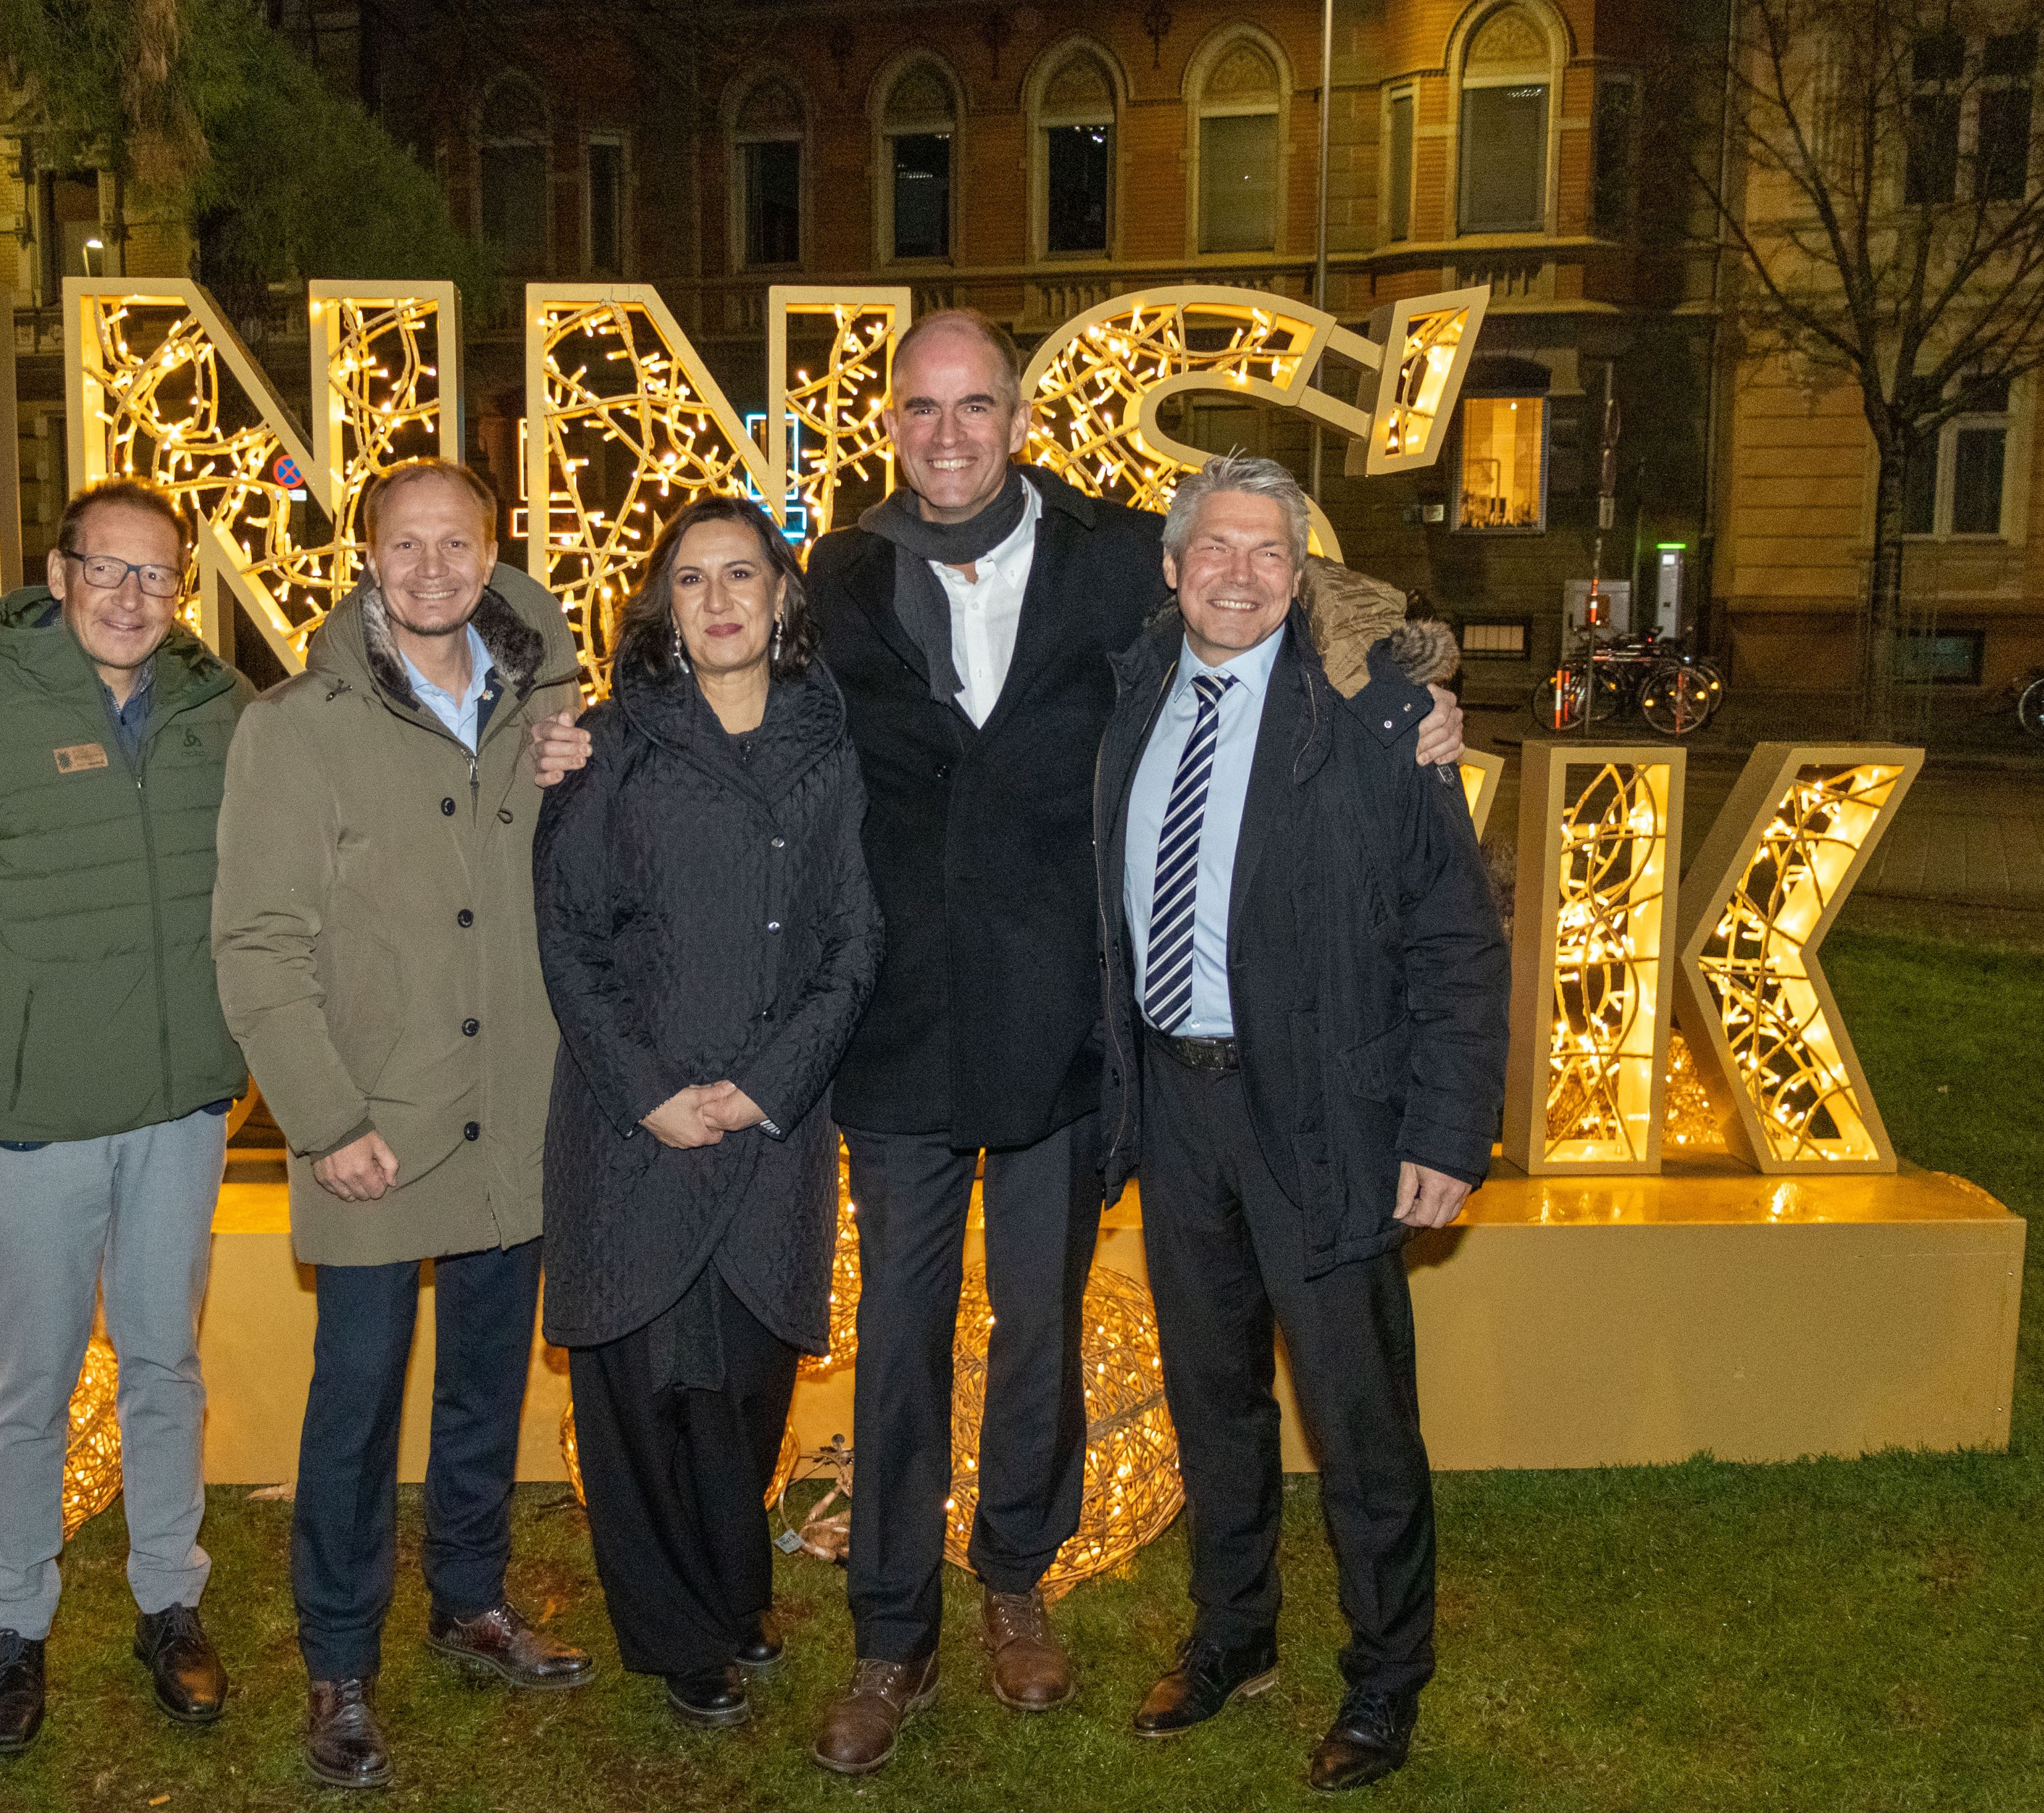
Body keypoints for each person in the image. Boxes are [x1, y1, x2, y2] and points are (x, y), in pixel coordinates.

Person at [532, 307, 1467, 1777]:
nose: (948, 432)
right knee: (898, 1347)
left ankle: (1014, 1578)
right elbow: (706, 677)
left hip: (1066, 1039)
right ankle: (889, 1629)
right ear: (888, 424)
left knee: (1036, 1332)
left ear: (1016, 416)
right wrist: (574, 734)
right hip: (892, 1034)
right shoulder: (830, 578)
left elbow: (1282, 595)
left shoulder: (1118, 557)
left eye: (975, 406)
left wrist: (1413, 684)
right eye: (922, 409)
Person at [1093, 455, 1508, 1792]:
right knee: (1213, 1397)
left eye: (1267, 552)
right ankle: (1233, 1633)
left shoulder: (1375, 712)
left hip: (1325, 1113)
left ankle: (1386, 1678)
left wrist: (1445, 1129)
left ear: (1301, 570)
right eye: (1212, 547)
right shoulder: (1132, 689)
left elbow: (1454, 935)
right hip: (1177, 1105)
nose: (1236, 573)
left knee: (1356, 1415)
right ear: (1172, 567)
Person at [209, 458, 593, 1792]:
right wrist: (321, 1119)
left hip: (516, 1118)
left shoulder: (551, 702)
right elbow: (257, 942)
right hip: (374, 1125)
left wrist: (579, 751)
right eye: (405, 544)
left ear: (491, 553)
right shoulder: (294, 726)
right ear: (368, 559)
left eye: (458, 542)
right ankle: (337, 1658)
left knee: (489, 1379)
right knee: (357, 1404)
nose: (432, 567)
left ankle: (471, 1598)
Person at [0, 477, 247, 1752]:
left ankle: (167, 1600)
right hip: (30, 1124)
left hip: (183, 1112)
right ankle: (16, 1621)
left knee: (164, 1366)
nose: (130, 597)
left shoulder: (219, 715)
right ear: (60, 572)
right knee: (33, 1379)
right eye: (107, 569)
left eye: (156, 574)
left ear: (180, 585)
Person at [532, 497, 883, 1731]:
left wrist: (771, 1086)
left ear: (784, 597)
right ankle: (676, 1635)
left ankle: (736, 1599)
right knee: (640, 1392)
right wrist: (652, 1094)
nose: (722, 600)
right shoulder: (608, 744)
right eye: (693, 581)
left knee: (743, 1382)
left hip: (772, 1119)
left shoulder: (829, 746)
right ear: (663, 607)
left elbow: (854, 940)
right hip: (635, 1121)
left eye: (744, 575)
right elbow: (568, 942)